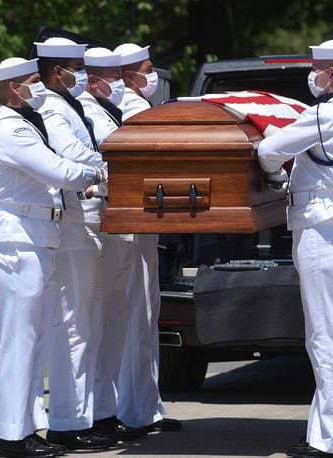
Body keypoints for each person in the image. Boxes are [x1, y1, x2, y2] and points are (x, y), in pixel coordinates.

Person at [0, 56, 107, 457]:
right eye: (34, 80)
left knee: (33, 343)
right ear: (15, 88)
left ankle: (24, 431)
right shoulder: (10, 128)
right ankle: (11, 439)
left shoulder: (24, 122)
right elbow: (59, 171)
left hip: (35, 237)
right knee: (20, 343)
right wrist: (101, 173)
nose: (40, 86)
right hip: (17, 241)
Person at [258, 39, 333, 458]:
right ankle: (332, 434)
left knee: (327, 340)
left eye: (316, 69)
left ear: (331, 73)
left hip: (323, 231)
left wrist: (271, 168)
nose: (313, 77)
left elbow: (269, 151)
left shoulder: (327, 113)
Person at [33, 37, 114, 450]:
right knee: (72, 325)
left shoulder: (67, 103)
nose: (81, 73)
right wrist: (106, 164)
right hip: (73, 217)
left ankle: (87, 415)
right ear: (55, 69)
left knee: (88, 321)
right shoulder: (50, 104)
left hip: (89, 215)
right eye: (75, 66)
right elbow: (70, 152)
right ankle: (66, 422)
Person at [112, 41, 183, 434]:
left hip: (142, 224)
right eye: (147, 68)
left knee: (144, 317)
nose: (153, 75)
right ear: (127, 74)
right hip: (134, 225)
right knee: (137, 317)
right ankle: (134, 410)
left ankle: (144, 407)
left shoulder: (136, 104)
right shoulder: (134, 107)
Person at [78, 46, 142, 441]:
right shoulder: (84, 111)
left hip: (118, 216)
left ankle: (107, 409)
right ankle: (92, 413)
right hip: (95, 217)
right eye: (113, 77)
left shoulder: (106, 108)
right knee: (95, 321)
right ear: (93, 78)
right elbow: (107, 152)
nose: (120, 84)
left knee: (115, 320)